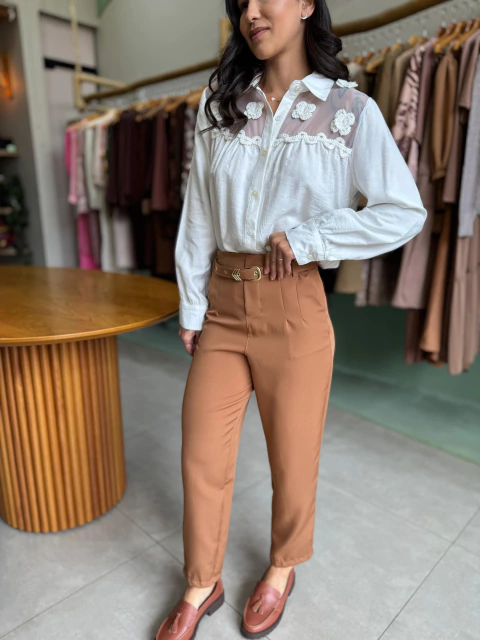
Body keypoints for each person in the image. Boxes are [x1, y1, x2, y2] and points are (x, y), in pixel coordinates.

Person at [155, 0, 427, 638]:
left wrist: (312, 238)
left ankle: (282, 566)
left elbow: (403, 210)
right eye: (240, 2)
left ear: (307, 3)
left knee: (293, 458)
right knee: (201, 453)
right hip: (224, 305)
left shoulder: (350, 111)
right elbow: (198, 215)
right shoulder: (220, 106)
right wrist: (192, 305)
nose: (251, 11)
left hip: (295, 305)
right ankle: (202, 580)